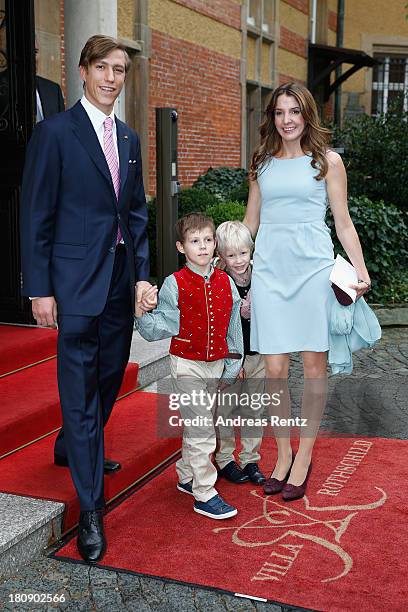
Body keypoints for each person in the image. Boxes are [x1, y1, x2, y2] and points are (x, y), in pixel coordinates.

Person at [20, 35, 150, 563]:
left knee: (109, 375)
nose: (111, 78)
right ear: (83, 72)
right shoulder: (54, 133)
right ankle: (91, 510)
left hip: (119, 284)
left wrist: (142, 275)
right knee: (78, 388)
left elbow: (136, 215)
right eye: (102, 68)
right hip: (71, 285)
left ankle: (69, 444)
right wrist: (39, 288)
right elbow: (35, 214)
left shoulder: (130, 138)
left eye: (119, 69)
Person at [244, 82, 371, 501]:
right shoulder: (261, 161)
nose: (286, 120)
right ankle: (282, 454)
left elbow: (343, 222)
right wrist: (229, 261)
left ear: (307, 115)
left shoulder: (327, 161)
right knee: (275, 370)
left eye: (294, 111)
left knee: (315, 368)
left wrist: (360, 269)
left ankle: (305, 457)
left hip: (313, 272)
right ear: (271, 117)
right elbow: (251, 222)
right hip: (270, 274)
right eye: (279, 112)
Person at [135, 212, 244, 519]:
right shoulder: (174, 283)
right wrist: (142, 314)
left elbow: (233, 327)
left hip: (215, 364)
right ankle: (205, 493)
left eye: (208, 240)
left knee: (200, 422)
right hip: (186, 365)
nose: (203, 246)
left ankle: (186, 474)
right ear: (182, 247)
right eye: (195, 241)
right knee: (201, 427)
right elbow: (164, 324)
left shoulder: (227, 282)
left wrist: (233, 365)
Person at [214, 221, 266, 486]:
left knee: (253, 409)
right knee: (224, 410)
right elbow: (220, 326)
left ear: (251, 250)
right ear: (221, 256)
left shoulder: (261, 275)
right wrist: (233, 361)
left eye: (243, 253)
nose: (238, 260)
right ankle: (224, 459)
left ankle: (250, 458)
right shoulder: (219, 281)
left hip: (258, 355)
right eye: (231, 255)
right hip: (233, 359)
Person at [35, 34, 65, 121]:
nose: (32, 58)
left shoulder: (53, 90)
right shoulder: (5, 88)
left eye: (35, 52)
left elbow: (62, 129)